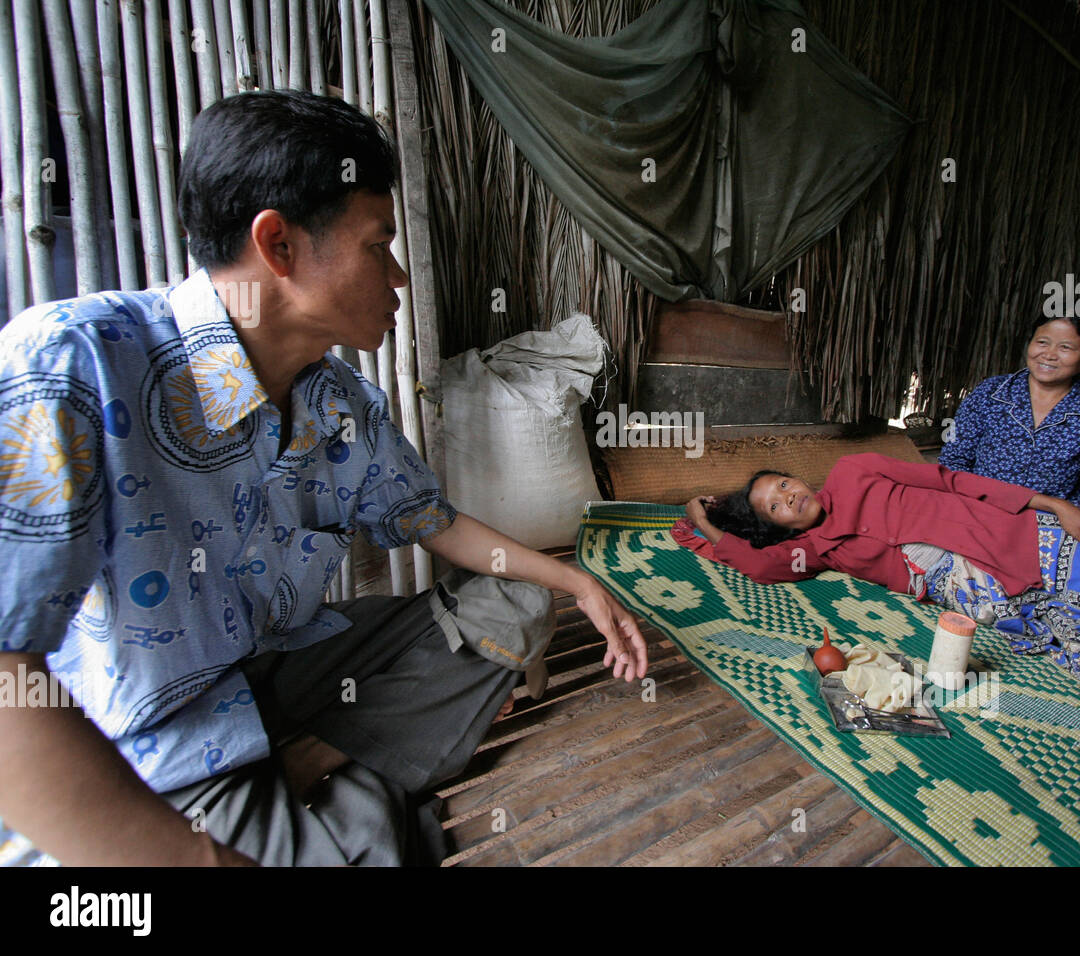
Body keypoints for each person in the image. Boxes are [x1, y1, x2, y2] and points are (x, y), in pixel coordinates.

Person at [0, 91, 647, 867]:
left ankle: (308, 777)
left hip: (278, 682)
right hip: (158, 749)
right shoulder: (76, 365)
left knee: (511, 603)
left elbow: (431, 522)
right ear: (279, 245)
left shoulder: (337, 402)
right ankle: (322, 801)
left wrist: (578, 586)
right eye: (379, 244)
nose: (399, 275)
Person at [681, 454, 1080, 752]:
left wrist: (1055, 505)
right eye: (774, 507)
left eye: (784, 484)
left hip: (1014, 536)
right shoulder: (815, 548)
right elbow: (758, 565)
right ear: (782, 528)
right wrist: (705, 525)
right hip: (973, 587)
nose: (788, 497)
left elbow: (954, 482)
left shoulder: (855, 471)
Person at [938, 315, 1080, 517]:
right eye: (1042, 342)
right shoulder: (990, 392)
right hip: (975, 509)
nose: (1049, 355)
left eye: (1065, 347)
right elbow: (953, 461)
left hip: (1050, 525)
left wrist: (1053, 519)